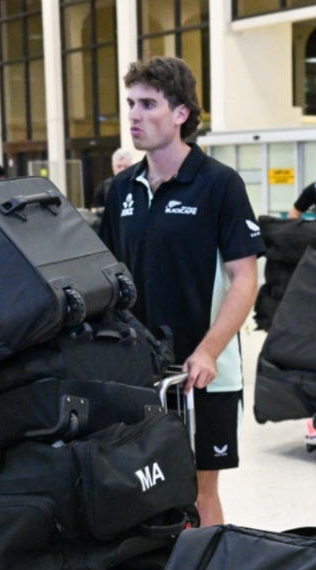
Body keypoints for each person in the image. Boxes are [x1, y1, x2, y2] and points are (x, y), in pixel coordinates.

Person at [99, 56, 263, 528]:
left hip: (203, 373)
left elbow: (245, 278)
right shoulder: (121, 189)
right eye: (130, 103)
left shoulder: (218, 185)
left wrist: (208, 351)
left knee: (197, 489)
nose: (134, 115)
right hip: (137, 370)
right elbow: (109, 277)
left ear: (181, 114)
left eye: (148, 103)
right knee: (140, 485)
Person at [91, 148, 134, 213]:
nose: (122, 170)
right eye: (119, 166)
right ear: (113, 166)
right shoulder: (105, 186)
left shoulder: (139, 185)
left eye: (126, 166)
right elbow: (94, 209)